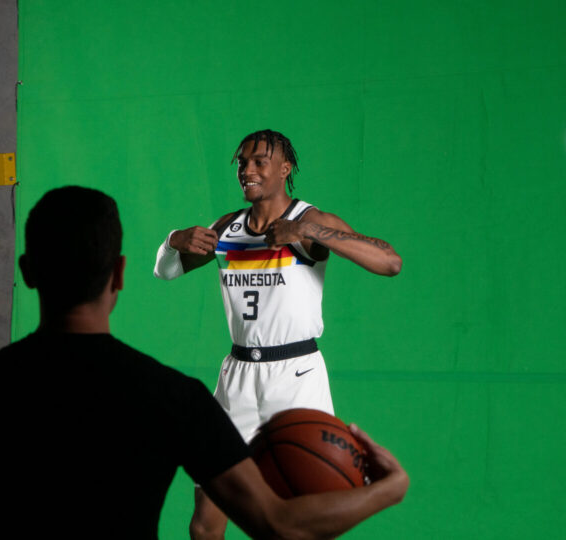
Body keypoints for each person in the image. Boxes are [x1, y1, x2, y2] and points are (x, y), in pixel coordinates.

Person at [0, 186, 407, 539]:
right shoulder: (173, 398)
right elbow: (278, 524)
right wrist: (389, 488)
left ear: (28, 272)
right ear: (119, 274)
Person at [154, 130, 403, 539]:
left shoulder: (310, 220)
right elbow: (165, 271)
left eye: (259, 162)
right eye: (242, 163)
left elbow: (390, 262)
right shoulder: (228, 227)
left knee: (302, 517)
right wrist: (172, 241)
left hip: (296, 377)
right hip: (237, 377)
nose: (247, 170)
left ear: (285, 169)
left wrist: (309, 233)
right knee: (204, 526)